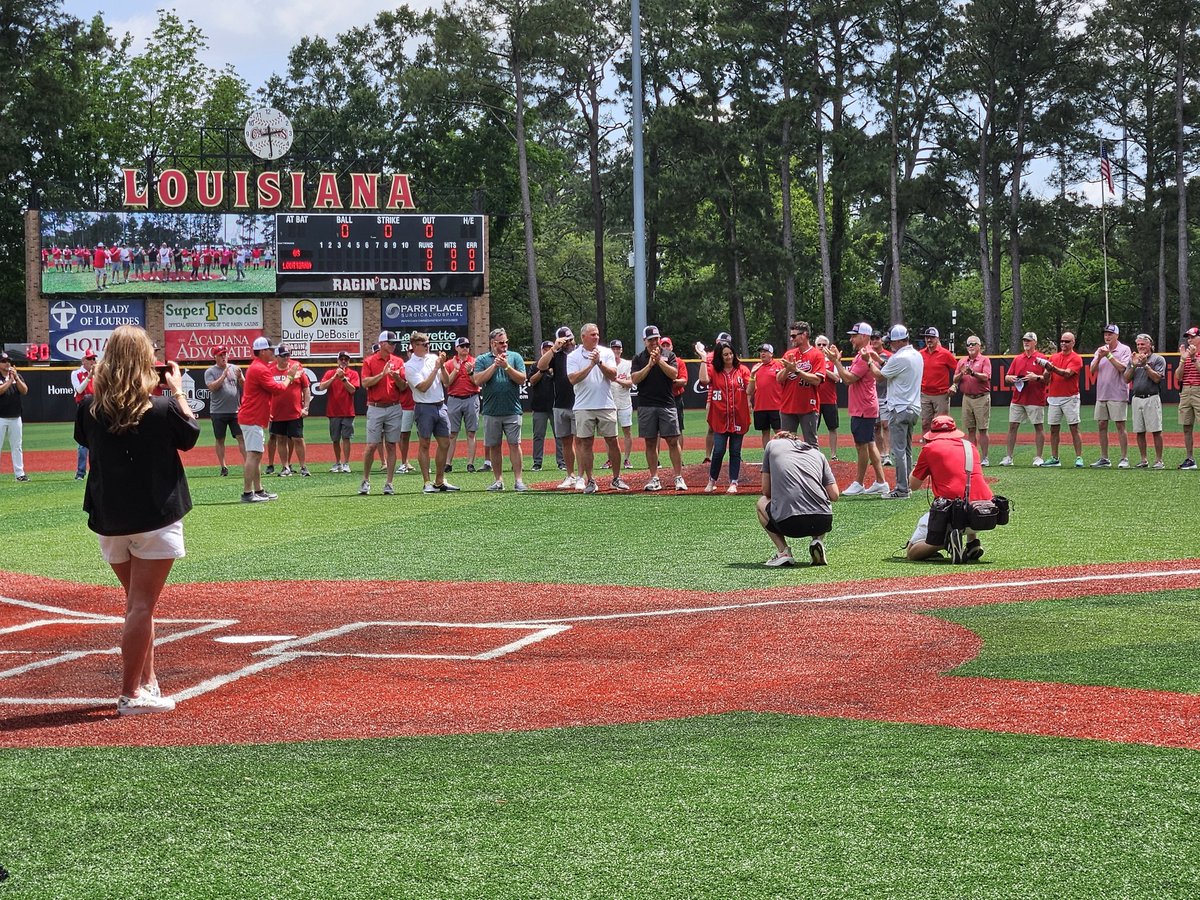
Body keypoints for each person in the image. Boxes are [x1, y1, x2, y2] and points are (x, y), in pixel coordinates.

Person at [74, 324, 200, 714]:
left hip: (110, 519)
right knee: (141, 606)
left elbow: (87, 438)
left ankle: (147, 681)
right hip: (155, 518)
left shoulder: (89, 409)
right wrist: (176, 388)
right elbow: (191, 434)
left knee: (137, 603)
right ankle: (130, 694)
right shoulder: (161, 408)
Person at [905, 415, 994, 562]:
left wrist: (918, 468)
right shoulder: (969, 446)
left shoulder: (930, 448)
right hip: (985, 513)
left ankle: (947, 541)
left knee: (912, 552)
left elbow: (913, 485)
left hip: (956, 515)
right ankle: (972, 543)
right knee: (967, 487)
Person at [756, 431, 840, 567]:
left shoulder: (772, 445)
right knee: (823, 501)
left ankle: (783, 552)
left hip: (789, 524)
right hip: (822, 521)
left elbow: (766, 491)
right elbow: (834, 495)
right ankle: (817, 540)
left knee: (761, 502)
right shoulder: (818, 454)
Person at [824, 323, 888, 495]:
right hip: (864, 406)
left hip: (863, 407)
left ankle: (859, 483)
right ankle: (881, 481)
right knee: (869, 443)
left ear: (864, 336)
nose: (851, 338)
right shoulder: (862, 355)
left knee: (862, 445)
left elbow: (848, 379)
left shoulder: (863, 355)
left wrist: (836, 361)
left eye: (854, 335)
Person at [566, 322, 628, 493]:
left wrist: (599, 362)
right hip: (583, 406)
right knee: (585, 443)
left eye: (597, 334)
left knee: (613, 441)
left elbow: (613, 375)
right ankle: (591, 480)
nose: (596, 337)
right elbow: (573, 379)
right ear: (583, 337)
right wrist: (590, 365)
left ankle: (616, 478)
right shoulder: (573, 356)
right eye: (592, 334)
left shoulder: (606, 353)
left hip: (605, 404)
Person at [237, 336, 299, 502]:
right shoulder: (260, 368)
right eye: (270, 350)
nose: (273, 352)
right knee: (254, 454)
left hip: (254, 416)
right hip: (252, 417)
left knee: (256, 454)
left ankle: (258, 490)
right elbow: (278, 389)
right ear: (262, 351)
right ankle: (247, 493)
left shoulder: (259, 366)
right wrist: (290, 376)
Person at [630, 325, 688, 492]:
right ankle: (654, 477)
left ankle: (678, 477)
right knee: (650, 442)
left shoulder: (669, 355)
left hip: (667, 403)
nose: (654, 342)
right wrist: (649, 365)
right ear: (644, 341)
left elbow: (674, 374)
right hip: (646, 404)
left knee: (672, 440)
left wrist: (659, 361)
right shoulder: (638, 358)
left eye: (656, 339)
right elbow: (635, 379)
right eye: (651, 340)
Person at [870, 325, 923, 499]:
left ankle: (901, 489)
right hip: (913, 407)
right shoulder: (916, 355)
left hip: (899, 408)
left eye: (892, 342)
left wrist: (869, 361)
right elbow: (895, 370)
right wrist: (880, 359)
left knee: (898, 451)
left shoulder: (899, 357)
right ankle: (906, 484)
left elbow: (879, 376)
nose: (891, 345)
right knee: (906, 449)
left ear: (900, 341)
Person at [472, 327, 528, 491]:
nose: (504, 345)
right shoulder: (482, 359)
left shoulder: (515, 357)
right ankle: (498, 480)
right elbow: (477, 380)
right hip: (491, 411)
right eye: (501, 343)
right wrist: (495, 366)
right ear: (492, 343)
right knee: (494, 446)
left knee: (515, 444)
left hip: (512, 410)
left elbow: (522, 379)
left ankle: (518, 480)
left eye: (506, 342)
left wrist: (506, 367)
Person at [404, 330, 459, 493]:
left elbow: (447, 382)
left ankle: (440, 480)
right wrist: (435, 369)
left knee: (445, 443)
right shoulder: (410, 365)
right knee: (424, 444)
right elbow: (422, 387)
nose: (428, 347)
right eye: (424, 345)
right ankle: (427, 482)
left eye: (428, 344)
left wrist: (441, 366)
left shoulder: (434, 359)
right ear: (414, 346)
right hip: (424, 407)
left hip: (440, 405)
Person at [699, 340, 752, 493]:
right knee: (718, 450)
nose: (728, 357)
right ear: (719, 356)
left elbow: (749, 390)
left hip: (738, 417)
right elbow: (703, 380)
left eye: (730, 354)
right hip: (720, 417)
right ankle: (712, 480)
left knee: (735, 451)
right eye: (725, 354)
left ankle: (733, 482)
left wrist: (754, 378)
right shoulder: (715, 371)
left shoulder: (742, 370)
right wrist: (703, 357)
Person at [359, 332, 408, 495]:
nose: (393, 345)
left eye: (394, 343)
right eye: (390, 342)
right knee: (372, 445)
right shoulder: (369, 361)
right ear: (381, 343)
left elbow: (403, 387)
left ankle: (389, 483)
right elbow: (365, 383)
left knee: (391, 445)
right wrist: (382, 374)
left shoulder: (398, 361)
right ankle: (365, 480)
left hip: (394, 406)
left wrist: (396, 376)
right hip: (375, 406)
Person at [537, 327, 579, 488]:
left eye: (569, 339)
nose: (568, 343)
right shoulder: (557, 355)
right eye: (564, 340)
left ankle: (582, 475)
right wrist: (554, 348)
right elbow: (541, 366)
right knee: (566, 442)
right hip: (560, 403)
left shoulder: (580, 353)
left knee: (582, 442)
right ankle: (571, 475)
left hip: (579, 403)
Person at [1000, 331, 1048, 467]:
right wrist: (1010, 378)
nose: (1026, 343)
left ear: (1035, 343)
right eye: (1024, 340)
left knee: (1038, 426)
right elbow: (1007, 377)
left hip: (1035, 398)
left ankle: (1039, 456)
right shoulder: (1018, 359)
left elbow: (1048, 379)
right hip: (1018, 398)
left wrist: (1036, 377)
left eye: (1029, 340)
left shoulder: (1041, 358)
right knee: (1013, 426)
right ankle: (1009, 456)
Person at [1090, 324, 1132, 468]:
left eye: (1110, 334)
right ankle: (1104, 458)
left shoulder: (1124, 349)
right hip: (1102, 393)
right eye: (1106, 334)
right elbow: (1092, 370)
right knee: (1101, 424)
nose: (1107, 336)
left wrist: (1108, 355)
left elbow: (1123, 368)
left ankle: (1124, 458)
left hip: (1118, 393)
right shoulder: (1100, 350)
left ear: (1117, 336)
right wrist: (1099, 357)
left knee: (1120, 425)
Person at [1041, 332, 1084, 468]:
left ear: (1073, 343)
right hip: (1054, 396)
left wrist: (1051, 368)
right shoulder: (1054, 357)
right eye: (1062, 341)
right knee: (1054, 428)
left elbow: (1067, 374)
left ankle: (1079, 457)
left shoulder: (1076, 358)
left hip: (1070, 397)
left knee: (1074, 427)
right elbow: (1046, 379)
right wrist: (1047, 371)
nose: (1064, 344)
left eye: (1067, 341)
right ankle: (1055, 457)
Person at [777, 321, 825, 443]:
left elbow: (817, 380)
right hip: (788, 406)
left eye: (794, 336)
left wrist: (797, 371)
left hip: (808, 406)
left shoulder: (817, 355)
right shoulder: (789, 354)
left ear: (804, 335)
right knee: (786, 444)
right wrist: (788, 369)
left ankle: (814, 463)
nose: (791, 339)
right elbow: (779, 378)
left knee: (811, 443)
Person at [267, 345, 311, 477]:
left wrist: (306, 407)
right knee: (281, 439)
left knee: (298, 438)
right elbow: (267, 391)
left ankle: (303, 466)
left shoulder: (296, 366)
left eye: (288, 355)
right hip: (277, 412)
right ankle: (285, 466)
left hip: (294, 411)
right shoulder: (270, 369)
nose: (287, 358)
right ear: (277, 357)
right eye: (284, 355)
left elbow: (306, 388)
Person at [1124, 333, 1166, 468]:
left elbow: (1157, 378)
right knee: (1139, 431)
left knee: (1156, 430)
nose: (1140, 347)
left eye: (1143, 344)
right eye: (1138, 344)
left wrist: (1146, 365)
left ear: (1150, 345)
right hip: (1137, 398)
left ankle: (1159, 460)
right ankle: (1144, 460)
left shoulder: (1158, 359)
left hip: (1151, 397)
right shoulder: (1133, 359)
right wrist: (1135, 365)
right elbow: (1126, 379)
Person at [204, 346, 245, 477]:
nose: (223, 357)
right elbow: (212, 388)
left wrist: (240, 378)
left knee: (241, 437)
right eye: (220, 355)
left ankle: (247, 464)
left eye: (225, 354)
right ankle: (223, 466)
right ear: (215, 357)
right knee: (220, 439)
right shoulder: (210, 371)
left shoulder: (235, 368)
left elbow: (245, 387)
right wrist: (223, 375)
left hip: (235, 411)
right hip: (218, 411)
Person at [443, 336, 481, 473]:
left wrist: (470, 371)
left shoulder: (475, 362)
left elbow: (477, 382)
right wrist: (456, 369)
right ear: (457, 348)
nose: (465, 348)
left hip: (471, 397)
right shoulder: (449, 363)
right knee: (452, 433)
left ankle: (470, 463)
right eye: (462, 346)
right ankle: (448, 463)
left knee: (471, 432)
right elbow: (446, 383)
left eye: (467, 346)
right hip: (454, 398)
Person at [953, 336, 992, 466]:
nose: (970, 346)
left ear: (979, 346)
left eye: (973, 344)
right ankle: (972, 457)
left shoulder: (984, 360)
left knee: (982, 428)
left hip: (981, 397)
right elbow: (955, 379)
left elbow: (986, 377)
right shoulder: (962, 361)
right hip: (967, 398)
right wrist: (962, 373)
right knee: (970, 429)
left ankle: (985, 458)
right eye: (968, 344)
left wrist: (973, 373)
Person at [319, 351, 360, 473]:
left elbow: (352, 390)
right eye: (341, 359)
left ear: (348, 361)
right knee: (335, 439)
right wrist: (334, 377)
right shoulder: (330, 373)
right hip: (333, 411)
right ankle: (338, 462)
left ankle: (346, 463)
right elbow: (321, 387)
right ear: (338, 361)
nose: (343, 361)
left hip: (347, 411)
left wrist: (343, 379)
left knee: (346, 438)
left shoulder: (353, 374)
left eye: (346, 359)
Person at [527, 340, 563, 471]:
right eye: (545, 349)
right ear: (541, 351)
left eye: (550, 348)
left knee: (559, 435)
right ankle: (537, 463)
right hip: (539, 406)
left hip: (555, 405)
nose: (547, 351)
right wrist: (542, 371)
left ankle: (562, 462)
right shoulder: (536, 365)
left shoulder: (557, 364)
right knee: (538, 436)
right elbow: (532, 381)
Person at [918, 327, 958, 437]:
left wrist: (955, 385)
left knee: (941, 424)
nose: (929, 340)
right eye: (927, 337)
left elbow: (958, 370)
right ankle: (927, 449)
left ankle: (940, 449)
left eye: (932, 337)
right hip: (925, 394)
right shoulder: (920, 354)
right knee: (925, 423)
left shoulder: (945, 354)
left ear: (937, 339)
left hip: (941, 394)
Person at [0, 352, 29, 482]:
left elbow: (24, 390)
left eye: (8, 361)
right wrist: (10, 380)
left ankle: (20, 474)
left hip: (15, 417)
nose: (7, 363)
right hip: (1, 417)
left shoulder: (16, 376)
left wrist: (16, 378)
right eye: (4, 361)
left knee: (17, 446)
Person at [748, 343, 783, 449]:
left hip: (776, 406)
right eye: (761, 352)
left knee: (779, 432)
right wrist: (752, 375)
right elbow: (750, 390)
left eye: (765, 351)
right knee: (765, 432)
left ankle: (782, 454)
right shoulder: (756, 367)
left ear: (771, 354)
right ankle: (767, 455)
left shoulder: (778, 365)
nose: (762, 354)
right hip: (760, 406)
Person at [813, 334, 842, 458]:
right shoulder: (812, 360)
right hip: (815, 399)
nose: (821, 347)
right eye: (819, 344)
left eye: (824, 344)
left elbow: (836, 378)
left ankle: (833, 454)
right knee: (813, 429)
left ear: (828, 346)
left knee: (832, 427)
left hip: (830, 399)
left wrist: (824, 368)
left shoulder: (832, 361)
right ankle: (814, 453)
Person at [1176, 326, 1200, 469]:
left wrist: (1193, 358)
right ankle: (1190, 459)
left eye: (1192, 337)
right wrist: (1184, 360)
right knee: (1186, 425)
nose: (1190, 340)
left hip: (1198, 389)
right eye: (1188, 337)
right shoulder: (1184, 354)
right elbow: (1178, 376)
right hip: (1186, 390)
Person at [72, 350, 98, 480]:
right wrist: (89, 377)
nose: (93, 361)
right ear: (83, 361)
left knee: (98, 439)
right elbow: (79, 390)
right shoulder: (76, 373)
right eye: (90, 359)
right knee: (83, 442)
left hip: (97, 406)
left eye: (94, 358)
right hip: (83, 407)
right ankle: (80, 473)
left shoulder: (98, 373)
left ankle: (97, 470)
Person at [609, 339, 634, 469]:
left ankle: (626, 459)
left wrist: (617, 379)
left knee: (627, 431)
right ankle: (610, 459)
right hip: (609, 403)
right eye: (613, 348)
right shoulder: (606, 364)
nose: (616, 351)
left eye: (618, 348)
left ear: (621, 350)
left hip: (624, 402)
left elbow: (630, 383)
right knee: (610, 433)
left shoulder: (627, 364)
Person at [871, 331, 892, 465]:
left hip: (885, 394)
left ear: (882, 340)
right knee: (876, 426)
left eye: (877, 338)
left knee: (886, 425)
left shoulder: (888, 356)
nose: (875, 341)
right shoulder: (867, 355)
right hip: (872, 395)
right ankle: (879, 455)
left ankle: (887, 454)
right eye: (872, 338)